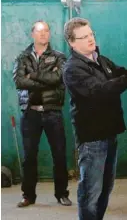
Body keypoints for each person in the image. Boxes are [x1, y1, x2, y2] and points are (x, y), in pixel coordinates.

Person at [62, 17, 127, 219]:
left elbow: (119, 75)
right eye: (83, 37)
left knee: (105, 188)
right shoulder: (73, 68)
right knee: (91, 191)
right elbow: (98, 91)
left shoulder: (100, 60)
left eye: (91, 34)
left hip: (110, 133)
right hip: (92, 138)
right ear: (72, 43)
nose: (90, 39)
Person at [12, 20, 72, 207]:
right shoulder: (23, 57)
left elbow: (58, 78)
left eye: (46, 30)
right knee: (29, 156)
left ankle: (61, 194)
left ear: (49, 34)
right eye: (39, 31)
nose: (43, 34)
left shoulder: (59, 57)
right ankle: (28, 196)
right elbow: (19, 81)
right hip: (30, 113)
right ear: (33, 34)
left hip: (52, 112)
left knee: (59, 154)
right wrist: (45, 80)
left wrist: (33, 76)